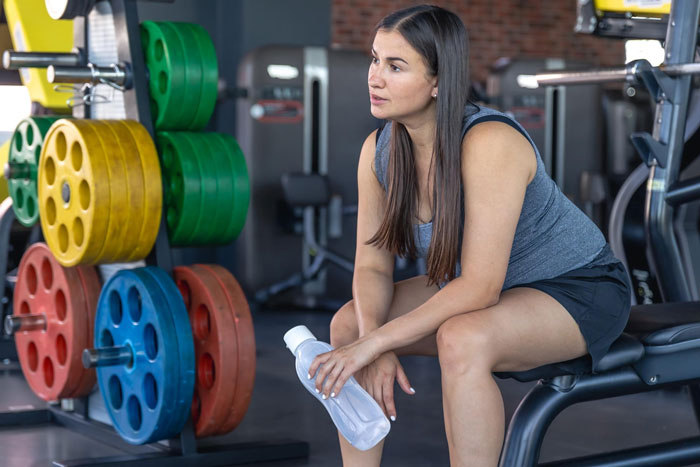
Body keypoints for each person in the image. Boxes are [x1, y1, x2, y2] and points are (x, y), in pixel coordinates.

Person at [307, 4, 631, 466]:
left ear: (439, 81)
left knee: (462, 337)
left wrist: (377, 342)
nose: (374, 77)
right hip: (488, 289)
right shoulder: (379, 151)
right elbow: (373, 265)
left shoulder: (487, 142)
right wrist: (369, 338)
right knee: (348, 324)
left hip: (577, 288)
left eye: (395, 66)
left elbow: (480, 286)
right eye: (375, 59)